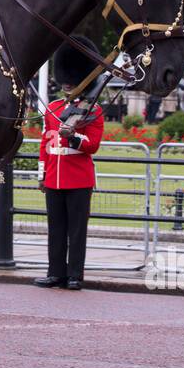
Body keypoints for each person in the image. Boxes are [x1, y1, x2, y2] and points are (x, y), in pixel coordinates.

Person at [33, 37, 105, 291]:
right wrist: (42, 175)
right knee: (56, 230)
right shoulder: (53, 108)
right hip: (54, 176)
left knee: (76, 232)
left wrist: (72, 137)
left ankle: (75, 275)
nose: (66, 86)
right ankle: (56, 273)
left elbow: (93, 145)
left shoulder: (92, 111)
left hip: (79, 179)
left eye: (71, 82)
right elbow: (45, 144)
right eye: (64, 82)